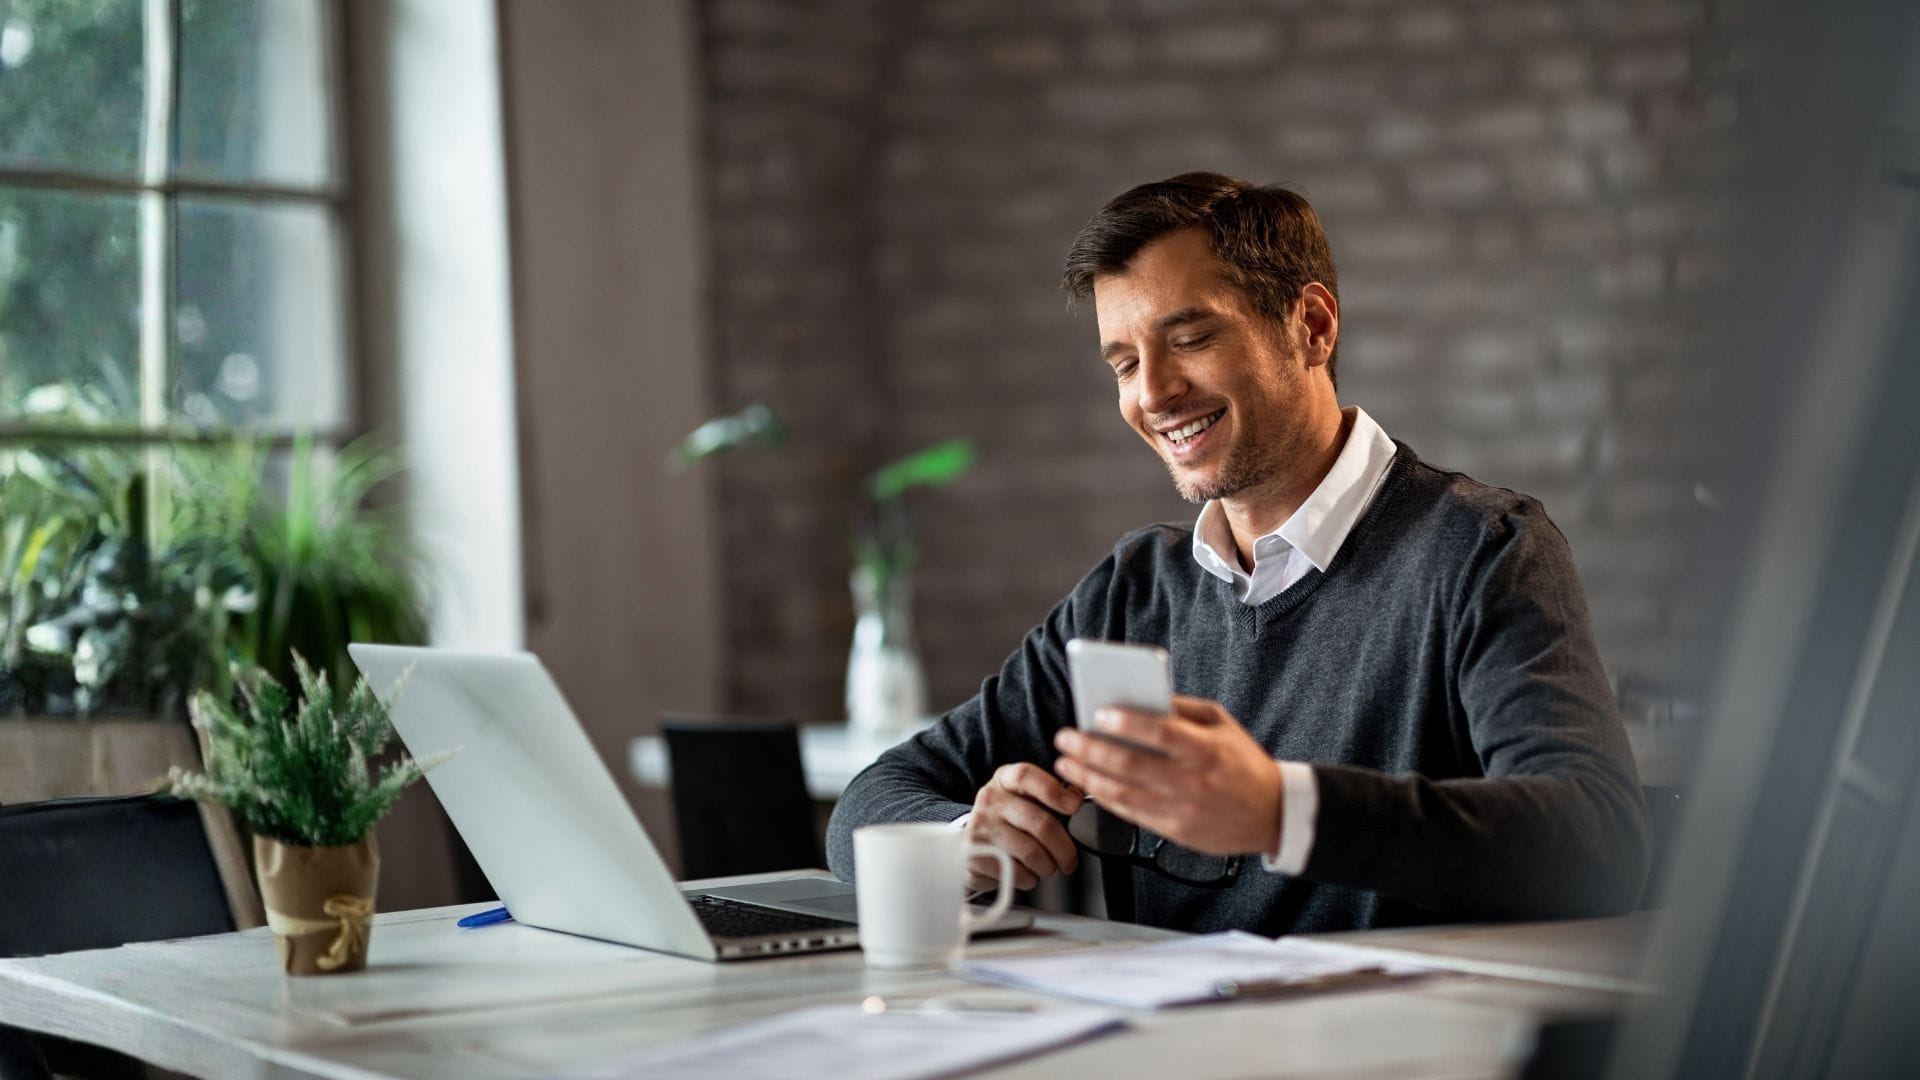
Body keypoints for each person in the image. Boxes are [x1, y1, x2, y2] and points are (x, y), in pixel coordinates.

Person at [824, 172, 1650, 934]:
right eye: (1124, 362)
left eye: (1189, 339)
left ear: (1312, 327)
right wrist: (964, 838)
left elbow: (1597, 847)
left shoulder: (1483, 553)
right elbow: (868, 804)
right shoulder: (1134, 593)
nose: (1152, 393)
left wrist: (1280, 810)